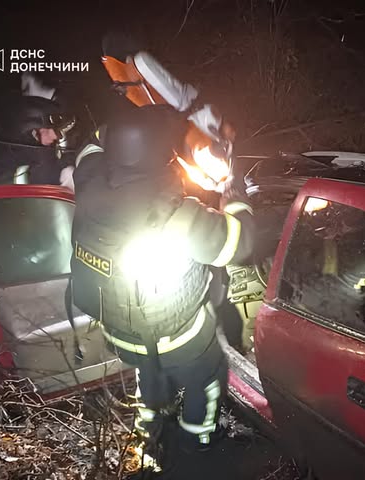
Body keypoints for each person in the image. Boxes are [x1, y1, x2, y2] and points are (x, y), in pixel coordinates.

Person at [69, 104, 254, 467]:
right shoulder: (179, 215)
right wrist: (237, 197)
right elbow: (239, 245)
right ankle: (199, 438)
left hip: (120, 333)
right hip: (180, 338)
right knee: (208, 373)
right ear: (160, 157)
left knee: (147, 371)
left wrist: (135, 119)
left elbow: (92, 145)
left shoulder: (87, 180)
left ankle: (147, 432)